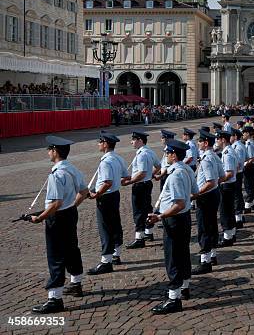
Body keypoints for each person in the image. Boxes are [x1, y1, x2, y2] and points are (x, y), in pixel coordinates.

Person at [31, 136, 89, 313]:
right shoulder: (72, 169)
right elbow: (84, 191)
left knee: (56, 255)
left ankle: (55, 298)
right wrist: (72, 206)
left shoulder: (57, 174)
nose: (48, 152)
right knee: (72, 248)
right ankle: (76, 283)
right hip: (70, 213)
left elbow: (55, 203)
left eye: (49, 149)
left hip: (58, 217)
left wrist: (40, 217)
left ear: (55, 151)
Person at [147, 139, 198, 314]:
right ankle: (185, 287)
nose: (166, 155)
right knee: (183, 253)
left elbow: (179, 204)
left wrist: (159, 216)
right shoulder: (186, 169)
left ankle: (173, 298)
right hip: (183, 218)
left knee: (173, 258)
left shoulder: (176, 174)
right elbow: (195, 192)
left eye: (167, 153)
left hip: (174, 219)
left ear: (174, 155)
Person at [88, 132, 129, 275]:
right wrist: (116, 182)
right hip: (115, 195)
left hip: (105, 197)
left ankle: (106, 261)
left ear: (105, 144)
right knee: (115, 224)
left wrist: (96, 193)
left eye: (100, 142)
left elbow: (107, 182)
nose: (98, 144)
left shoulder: (106, 161)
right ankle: (116, 254)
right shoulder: (118, 158)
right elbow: (126, 177)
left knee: (105, 228)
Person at [192, 130, 222, 274]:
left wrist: (197, 193)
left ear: (205, 143)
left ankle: (205, 260)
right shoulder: (214, 156)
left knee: (204, 227)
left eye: (200, 142)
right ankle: (213, 255)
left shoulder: (206, 159)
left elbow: (210, 181)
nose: (198, 144)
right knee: (212, 225)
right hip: (214, 193)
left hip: (207, 195)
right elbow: (221, 176)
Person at [124, 130, 161, 249]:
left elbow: (141, 173)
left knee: (138, 212)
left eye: (133, 140)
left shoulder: (141, 154)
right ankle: (148, 233)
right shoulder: (149, 151)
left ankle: (139, 238)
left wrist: (130, 181)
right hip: (147, 183)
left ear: (140, 140)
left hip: (140, 185)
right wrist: (151, 175)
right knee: (147, 208)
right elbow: (158, 166)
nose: (131, 142)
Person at [217, 130, 238, 248]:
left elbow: (229, 173)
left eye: (218, 139)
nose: (217, 141)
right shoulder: (228, 151)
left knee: (225, 212)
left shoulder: (227, 153)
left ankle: (227, 237)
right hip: (229, 185)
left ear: (223, 140)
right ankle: (232, 233)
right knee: (229, 210)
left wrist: (218, 180)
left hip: (227, 185)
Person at [231, 128, 247, 228]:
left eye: (231, 135)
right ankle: (239, 215)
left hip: (237, 174)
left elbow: (238, 163)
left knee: (236, 196)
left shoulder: (237, 147)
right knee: (238, 195)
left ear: (235, 136)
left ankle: (238, 218)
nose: (230, 137)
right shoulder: (239, 145)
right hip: (238, 173)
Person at [242, 126, 254, 212]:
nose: (243, 134)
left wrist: (244, 164)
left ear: (248, 133)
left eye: (244, 133)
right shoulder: (250, 142)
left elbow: (251, 158)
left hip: (249, 167)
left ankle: (248, 204)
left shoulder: (249, 144)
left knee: (248, 185)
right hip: (251, 166)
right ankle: (251, 203)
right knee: (250, 185)